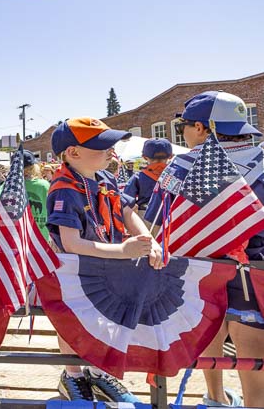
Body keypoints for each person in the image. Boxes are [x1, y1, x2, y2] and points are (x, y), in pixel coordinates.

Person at [146, 91, 264, 407]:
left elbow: (156, 223)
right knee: (252, 342)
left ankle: (215, 397)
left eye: (184, 125)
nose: (182, 132)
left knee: (207, 328)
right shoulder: (263, 161)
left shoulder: (181, 165)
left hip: (198, 270)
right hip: (253, 272)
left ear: (202, 128)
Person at [47, 117, 163, 402]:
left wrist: (150, 239)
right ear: (73, 153)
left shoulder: (106, 179)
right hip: (74, 273)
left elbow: (125, 211)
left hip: (105, 266)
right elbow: (71, 243)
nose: (112, 151)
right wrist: (123, 251)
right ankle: (73, 376)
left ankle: (100, 375)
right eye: (102, 146)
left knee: (107, 324)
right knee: (72, 325)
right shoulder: (64, 187)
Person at [124, 138, 172, 216]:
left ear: (144, 157)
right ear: (170, 156)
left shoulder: (138, 177)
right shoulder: (177, 176)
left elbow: (126, 201)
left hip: (146, 215)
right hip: (172, 214)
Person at [22, 150, 50, 241]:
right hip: (41, 235)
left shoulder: (8, 186)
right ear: (33, 167)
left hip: (19, 236)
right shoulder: (44, 185)